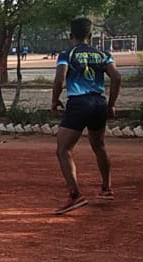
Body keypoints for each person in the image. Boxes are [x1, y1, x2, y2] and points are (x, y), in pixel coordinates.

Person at [50, 17, 120, 215]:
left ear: (71, 36)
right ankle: (106, 188)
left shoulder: (67, 54)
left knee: (63, 149)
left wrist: (54, 101)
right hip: (99, 102)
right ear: (90, 36)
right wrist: (112, 104)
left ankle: (75, 195)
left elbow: (59, 79)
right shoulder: (103, 54)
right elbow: (116, 77)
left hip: (79, 103)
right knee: (99, 145)